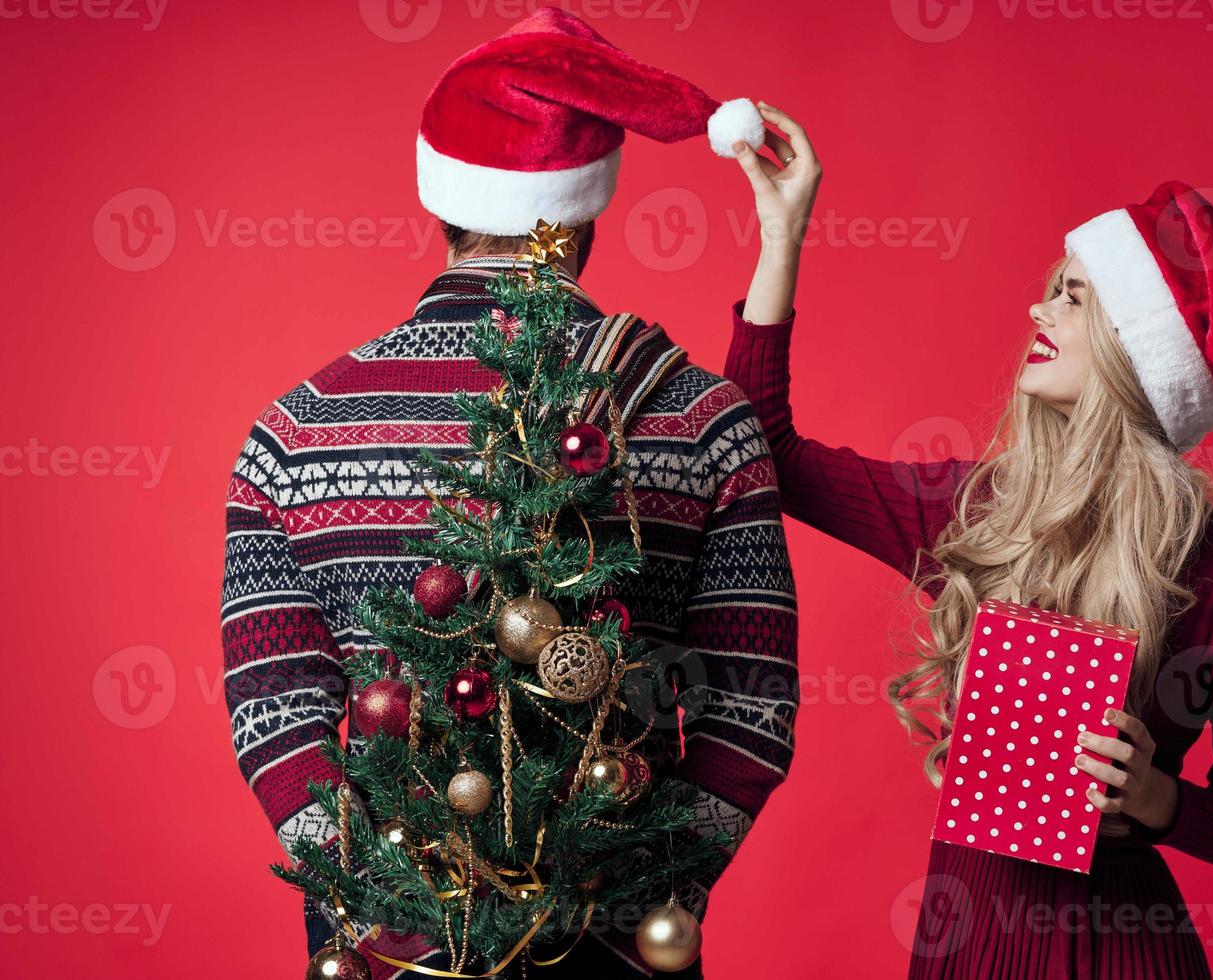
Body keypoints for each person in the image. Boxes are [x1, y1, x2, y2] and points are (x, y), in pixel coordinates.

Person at [220, 10, 797, 976]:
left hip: (381, 941)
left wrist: (379, 905)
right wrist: (651, 896)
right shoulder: (704, 418)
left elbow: (270, 703)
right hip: (618, 929)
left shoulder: (293, 431)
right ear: (583, 215)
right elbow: (755, 699)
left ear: (437, 202)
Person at [722, 105, 1213, 978]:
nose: (1038, 308)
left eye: (1073, 296)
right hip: (962, 949)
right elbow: (760, 448)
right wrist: (783, 234)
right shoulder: (979, 511)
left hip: (1120, 954)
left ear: (1136, 351)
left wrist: (1155, 798)